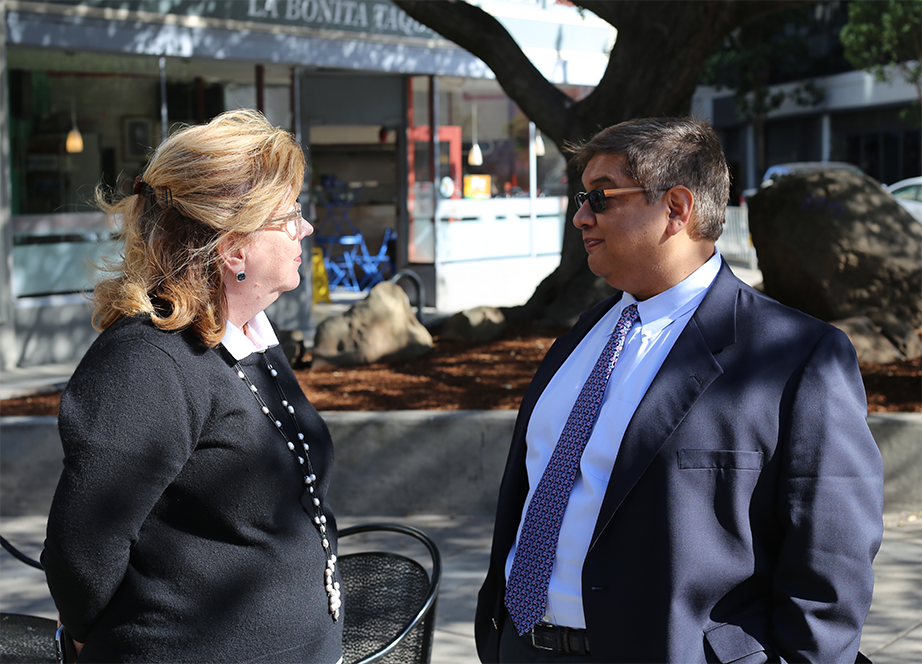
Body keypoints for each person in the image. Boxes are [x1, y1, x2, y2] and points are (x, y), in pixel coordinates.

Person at [475, 117, 884, 664]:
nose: (581, 216)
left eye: (601, 197)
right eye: (582, 197)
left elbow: (832, 562)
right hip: (523, 646)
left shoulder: (798, 356)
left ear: (676, 208)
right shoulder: (581, 337)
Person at [43, 109, 343, 663]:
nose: (304, 228)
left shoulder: (248, 336)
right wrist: (94, 641)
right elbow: (82, 548)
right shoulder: (148, 362)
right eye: (289, 216)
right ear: (234, 249)